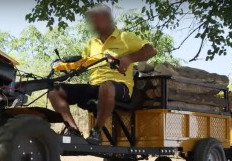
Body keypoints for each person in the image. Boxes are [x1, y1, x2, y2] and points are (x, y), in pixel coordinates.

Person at [47, 3, 157, 145]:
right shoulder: (91, 44)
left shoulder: (125, 37)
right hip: (94, 87)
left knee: (106, 86)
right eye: (93, 20)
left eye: (98, 19)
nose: (95, 23)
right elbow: (83, 63)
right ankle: (73, 130)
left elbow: (151, 50)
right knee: (54, 92)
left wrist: (129, 58)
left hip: (120, 88)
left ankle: (96, 131)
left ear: (108, 19)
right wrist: (63, 66)